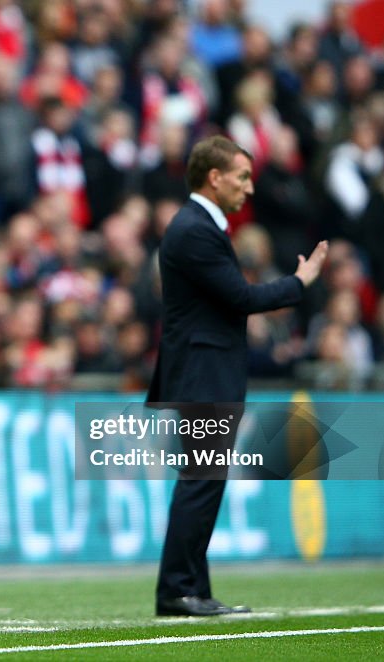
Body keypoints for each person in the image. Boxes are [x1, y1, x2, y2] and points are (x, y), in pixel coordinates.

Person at [146, 136, 327, 616]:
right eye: (243, 176)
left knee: (203, 481)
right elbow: (241, 299)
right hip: (203, 376)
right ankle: (177, 591)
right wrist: (299, 283)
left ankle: (194, 589)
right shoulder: (194, 229)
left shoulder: (199, 226)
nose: (249, 187)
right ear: (215, 177)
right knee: (201, 481)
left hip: (205, 374)